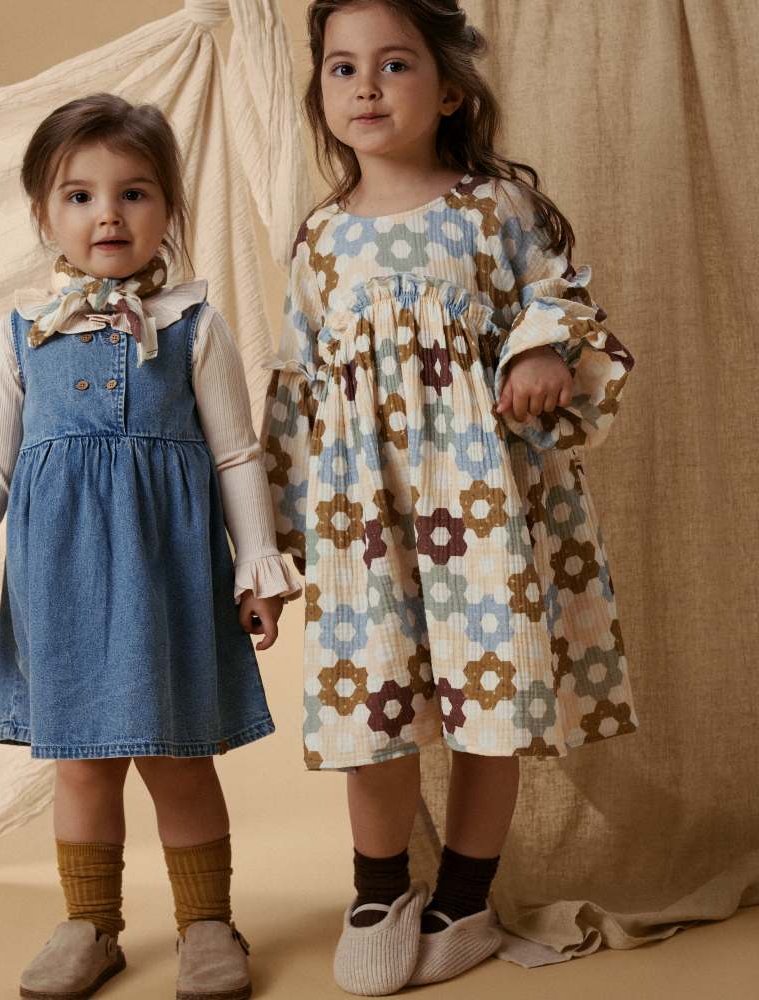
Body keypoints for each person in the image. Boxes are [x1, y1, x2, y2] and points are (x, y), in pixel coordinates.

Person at [261, 1, 637, 993]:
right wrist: (274, 541)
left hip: (481, 508)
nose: (366, 86)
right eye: (342, 68)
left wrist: (540, 349)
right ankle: (379, 890)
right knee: (371, 699)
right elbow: (295, 386)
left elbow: (561, 298)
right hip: (363, 521)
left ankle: (465, 898)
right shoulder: (319, 240)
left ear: (451, 91)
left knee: (487, 698)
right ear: (320, 91)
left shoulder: (495, 210)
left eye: (394, 64)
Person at [0, 92, 299, 1000]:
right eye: (79, 196)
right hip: (61, 581)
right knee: (82, 764)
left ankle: (207, 924)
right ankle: (90, 924)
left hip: (169, 577)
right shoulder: (22, 335)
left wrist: (257, 567)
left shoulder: (195, 326)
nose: (108, 215)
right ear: (44, 213)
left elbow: (236, 454)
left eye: (134, 193)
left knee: (178, 758)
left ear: (168, 208)